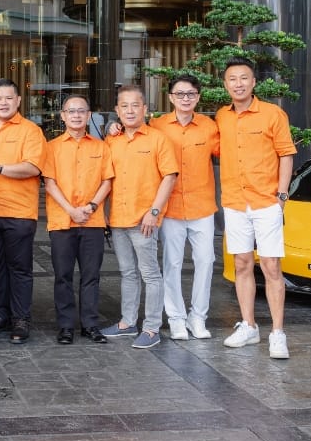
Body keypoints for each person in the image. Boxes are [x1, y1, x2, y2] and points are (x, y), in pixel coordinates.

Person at [217, 58, 297, 359]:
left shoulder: (273, 114)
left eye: (243, 78)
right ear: (225, 84)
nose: (238, 84)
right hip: (235, 201)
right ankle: (248, 325)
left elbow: (286, 154)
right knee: (241, 264)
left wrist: (282, 195)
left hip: (266, 202)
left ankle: (277, 332)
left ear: (253, 82)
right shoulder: (221, 116)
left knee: (271, 266)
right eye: (232, 79)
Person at [101, 84, 179, 348]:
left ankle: (152, 328)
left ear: (145, 108)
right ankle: (127, 322)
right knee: (127, 272)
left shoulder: (158, 139)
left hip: (144, 219)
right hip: (118, 218)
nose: (130, 110)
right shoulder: (112, 139)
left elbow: (169, 176)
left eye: (135, 105)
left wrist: (154, 211)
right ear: (117, 110)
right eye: (124, 106)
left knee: (150, 274)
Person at [0, 78, 45, 344]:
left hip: (18, 212)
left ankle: (21, 319)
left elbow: (33, 167)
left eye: (8, 98)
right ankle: (1, 316)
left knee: (19, 269)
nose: (3, 103)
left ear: (18, 101)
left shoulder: (30, 131)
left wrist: (0, 168)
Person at [150, 75, 219, 341]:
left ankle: (198, 317)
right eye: (180, 94)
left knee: (206, 261)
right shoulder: (157, 126)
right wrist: (114, 128)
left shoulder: (209, 127)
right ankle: (176, 319)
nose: (185, 98)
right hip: (171, 207)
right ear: (170, 98)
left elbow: (229, 153)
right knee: (172, 263)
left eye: (190, 94)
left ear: (198, 97)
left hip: (202, 205)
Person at [41, 94, 114, 345]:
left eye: (81, 111)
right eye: (71, 111)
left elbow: (107, 181)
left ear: (88, 115)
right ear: (63, 116)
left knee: (91, 275)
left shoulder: (101, 147)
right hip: (62, 221)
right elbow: (49, 182)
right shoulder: (51, 147)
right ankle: (65, 326)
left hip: (92, 222)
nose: (76, 115)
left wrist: (91, 207)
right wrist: (71, 210)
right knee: (63, 276)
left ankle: (90, 325)